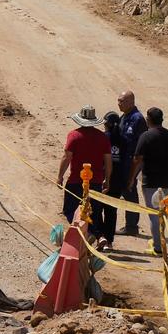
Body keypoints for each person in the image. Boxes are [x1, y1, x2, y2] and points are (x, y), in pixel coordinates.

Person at [128, 107, 168, 256]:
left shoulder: (145, 136)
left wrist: (131, 178)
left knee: (153, 214)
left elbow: (137, 159)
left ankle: (158, 246)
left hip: (150, 181)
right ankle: (159, 240)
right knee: (163, 214)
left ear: (148, 119)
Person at [57, 106, 113, 236]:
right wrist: (107, 179)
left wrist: (60, 176)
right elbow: (108, 161)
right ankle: (91, 235)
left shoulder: (74, 135)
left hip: (76, 180)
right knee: (92, 212)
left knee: (69, 209)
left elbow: (66, 157)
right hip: (96, 181)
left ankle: (84, 235)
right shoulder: (102, 137)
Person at [116, 90, 146, 235]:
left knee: (130, 191)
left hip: (131, 163)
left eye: (122, 101)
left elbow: (140, 146)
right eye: (118, 100)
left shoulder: (137, 119)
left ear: (131, 102)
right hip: (122, 162)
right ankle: (130, 225)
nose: (119, 103)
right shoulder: (124, 117)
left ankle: (132, 226)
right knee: (125, 191)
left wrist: (135, 168)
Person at [96, 111, 126, 248]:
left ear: (106, 123)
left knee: (97, 209)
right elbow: (127, 161)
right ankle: (109, 240)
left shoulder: (102, 138)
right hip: (118, 179)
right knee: (111, 211)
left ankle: (100, 236)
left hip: (102, 178)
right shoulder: (124, 140)